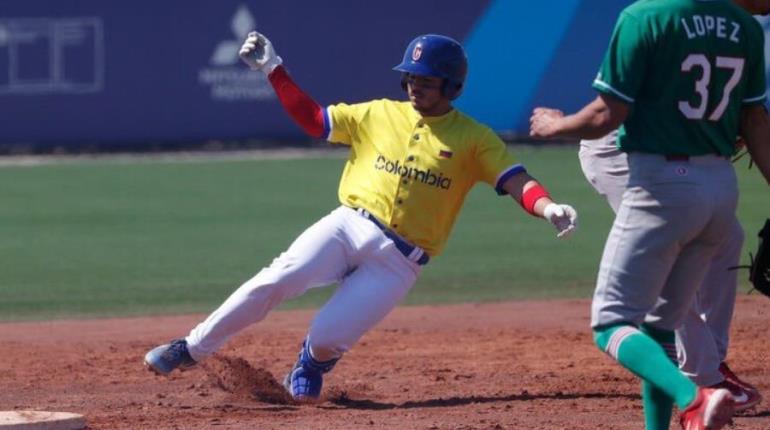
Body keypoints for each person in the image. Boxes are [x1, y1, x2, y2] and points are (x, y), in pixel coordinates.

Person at [144, 32, 578, 402]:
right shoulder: (378, 113)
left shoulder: (474, 139)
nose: (414, 85)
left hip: (401, 260)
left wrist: (547, 206)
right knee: (276, 279)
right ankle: (191, 347)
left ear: (452, 85)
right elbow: (316, 121)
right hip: (348, 224)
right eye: (410, 75)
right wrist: (274, 69)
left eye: (426, 79)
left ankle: (310, 362)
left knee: (330, 336)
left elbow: (514, 179)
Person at [529, 0, 770, 428]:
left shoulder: (645, 16)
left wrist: (554, 125)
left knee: (611, 324)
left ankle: (696, 394)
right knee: (661, 320)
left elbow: (607, 112)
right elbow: (754, 122)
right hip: (699, 180)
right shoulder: (742, 28)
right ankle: (696, 385)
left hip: (664, 178)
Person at [580, 130, 762, 414]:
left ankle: (709, 361)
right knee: (669, 259)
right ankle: (704, 378)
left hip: (674, 148)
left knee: (728, 236)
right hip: (619, 148)